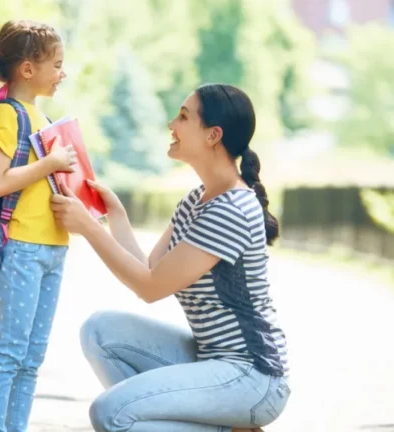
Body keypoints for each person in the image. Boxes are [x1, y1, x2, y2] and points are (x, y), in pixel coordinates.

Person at [50, 84, 290, 432]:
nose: (171, 124)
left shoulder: (233, 209)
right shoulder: (198, 199)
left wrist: (89, 228)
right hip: (213, 360)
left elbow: (151, 288)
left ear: (213, 135)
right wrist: (114, 217)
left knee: (111, 413)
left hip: (252, 377)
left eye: (183, 116)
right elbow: (149, 270)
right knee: (100, 331)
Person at [0, 19, 77, 432]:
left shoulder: (42, 116)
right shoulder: (6, 115)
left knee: (33, 357)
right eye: (57, 64)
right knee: (10, 352)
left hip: (54, 247)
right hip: (23, 248)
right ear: (28, 69)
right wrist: (49, 163)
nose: (62, 73)